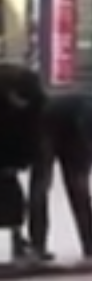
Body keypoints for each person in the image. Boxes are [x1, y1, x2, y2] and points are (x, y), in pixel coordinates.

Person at [27, 92, 92, 259]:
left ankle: (89, 243)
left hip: (72, 130)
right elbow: (89, 141)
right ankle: (38, 244)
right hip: (46, 125)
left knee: (79, 188)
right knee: (41, 186)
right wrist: (86, 160)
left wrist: (86, 161)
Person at [0, 63, 47, 260]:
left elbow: (31, 130)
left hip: (10, 147)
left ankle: (18, 239)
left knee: (12, 195)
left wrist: (20, 160)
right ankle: (17, 239)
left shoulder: (34, 103)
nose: (21, 103)